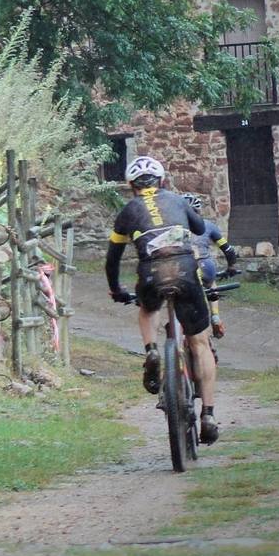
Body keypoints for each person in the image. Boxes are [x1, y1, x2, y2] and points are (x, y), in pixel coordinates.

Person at [105, 156, 222, 445]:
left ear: (131, 186)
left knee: (147, 309)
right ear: (162, 181)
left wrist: (116, 289)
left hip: (151, 273)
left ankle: (152, 350)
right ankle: (208, 414)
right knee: (200, 343)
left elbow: (112, 259)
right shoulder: (177, 200)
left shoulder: (127, 211)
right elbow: (198, 229)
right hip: (184, 269)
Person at [181, 193, 238, 339]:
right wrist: (231, 267)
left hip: (182, 269)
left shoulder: (174, 227)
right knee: (211, 282)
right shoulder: (208, 225)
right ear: (198, 211)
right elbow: (228, 250)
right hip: (206, 266)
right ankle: (215, 317)